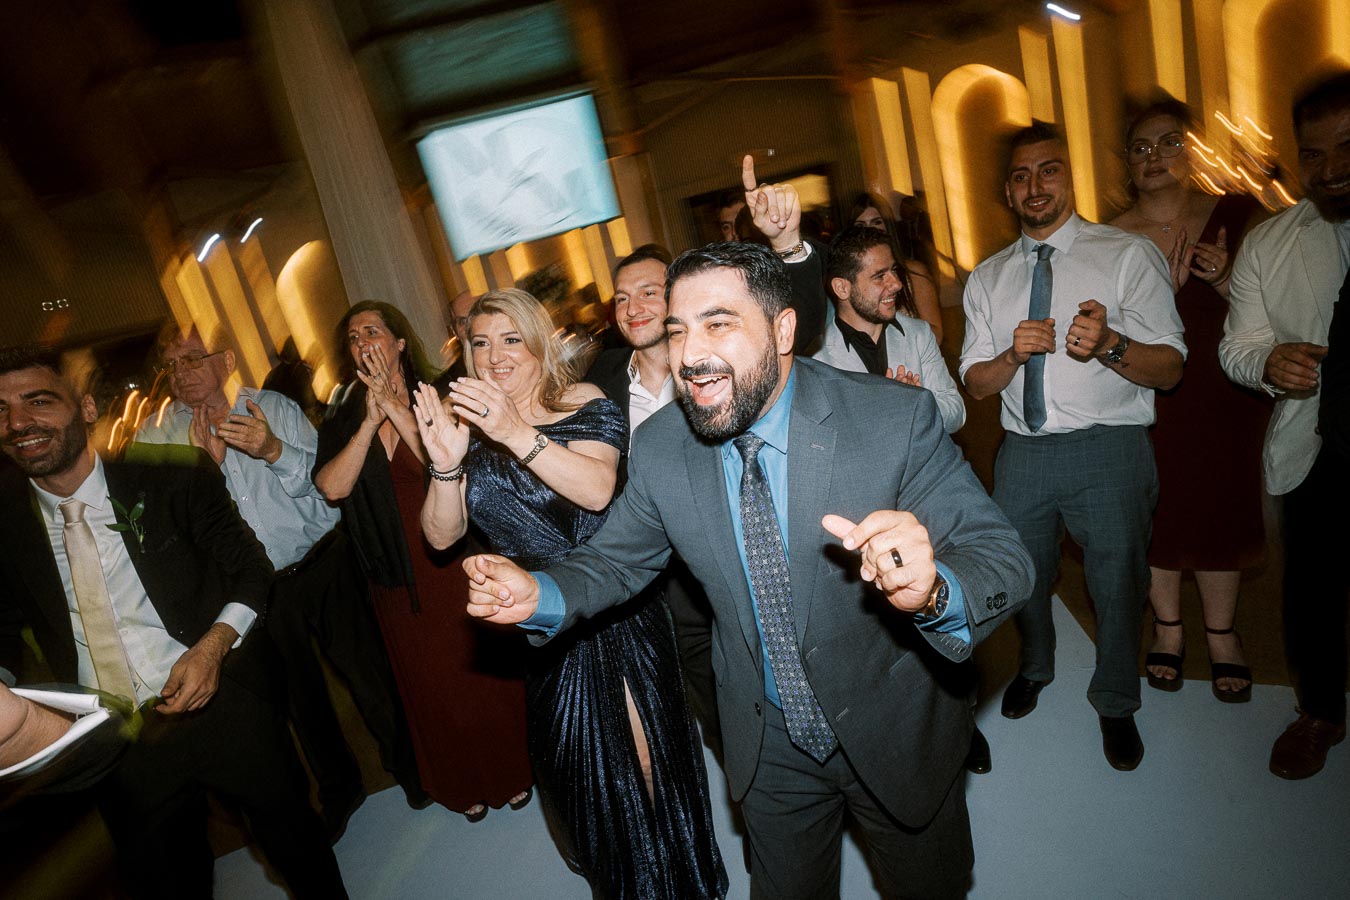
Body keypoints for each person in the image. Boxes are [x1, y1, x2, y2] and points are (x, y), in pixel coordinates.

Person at [462, 244, 1032, 899]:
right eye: (678, 330)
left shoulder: (889, 420)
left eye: (718, 324)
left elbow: (1003, 559)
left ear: (783, 330)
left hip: (892, 727)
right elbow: (616, 559)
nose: (689, 353)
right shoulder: (662, 445)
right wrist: (541, 594)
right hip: (768, 740)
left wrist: (932, 589)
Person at [0, 345, 346, 898]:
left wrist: (212, 647)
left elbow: (250, 568)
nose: (19, 423)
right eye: (1, 410)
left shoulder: (171, 481)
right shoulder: (5, 526)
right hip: (113, 740)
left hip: (224, 701)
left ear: (86, 408)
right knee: (165, 881)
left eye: (38, 401)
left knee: (298, 848)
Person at [414, 287, 726, 899]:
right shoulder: (465, 427)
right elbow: (440, 535)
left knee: (646, 763)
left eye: (510, 339)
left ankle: (680, 884)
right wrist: (448, 464)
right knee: (585, 778)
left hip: (615, 606)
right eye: (480, 343)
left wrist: (510, 429)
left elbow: (596, 490)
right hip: (541, 622)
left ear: (538, 342)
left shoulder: (581, 400)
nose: (496, 356)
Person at [131, 323, 422, 838]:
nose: (182, 373)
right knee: (299, 699)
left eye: (193, 359)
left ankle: (411, 770)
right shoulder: (157, 439)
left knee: (368, 673)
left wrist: (271, 448)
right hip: (254, 590)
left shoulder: (275, 407)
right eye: (171, 365)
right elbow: (169, 532)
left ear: (223, 363)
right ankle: (340, 789)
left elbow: (329, 483)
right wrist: (206, 471)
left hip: (322, 564)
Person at [960, 121, 1186, 771]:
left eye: (1049, 169)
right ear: (1008, 191)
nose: (1036, 185)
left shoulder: (1123, 255)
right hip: (1024, 454)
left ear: (1069, 175)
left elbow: (1170, 368)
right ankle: (1035, 666)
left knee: (1118, 583)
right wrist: (1012, 352)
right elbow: (976, 385)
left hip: (1109, 448)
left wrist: (1109, 344)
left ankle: (1116, 700)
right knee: (1022, 577)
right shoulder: (989, 278)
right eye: (1023, 175)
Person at [314, 301, 532, 820]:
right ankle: (461, 783)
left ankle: (512, 770)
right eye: (352, 336)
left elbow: (442, 459)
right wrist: (368, 423)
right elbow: (331, 487)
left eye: (373, 331)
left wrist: (393, 407)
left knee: (478, 676)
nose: (364, 341)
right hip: (392, 573)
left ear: (399, 342)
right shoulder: (341, 412)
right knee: (431, 688)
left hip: (452, 556)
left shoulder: (434, 395)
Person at [1109, 100, 1270, 703]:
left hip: (1222, 389)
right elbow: (1098, 327)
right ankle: (1169, 627)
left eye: (1169, 143)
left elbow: (1274, 312)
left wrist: (1227, 282)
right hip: (1146, 390)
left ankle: (1223, 632)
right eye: (1141, 147)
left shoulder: (1239, 216)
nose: (1155, 157)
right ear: (1127, 162)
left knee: (1219, 501)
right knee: (1158, 504)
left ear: (1194, 148)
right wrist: (1156, 301)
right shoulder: (1110, 235)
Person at [1220, 70, 1350, 779]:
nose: (1331, 169)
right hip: (1318, 444)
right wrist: (1269, 361)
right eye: (1314, 153)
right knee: (1312, 592)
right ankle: (1320, 710)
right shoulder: (1270, 243)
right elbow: (1235, 347)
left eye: (1347, 147)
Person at [585, 246, 722, 757]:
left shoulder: (713, 365)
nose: (633, 307)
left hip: (718, 551)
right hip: (645, 569)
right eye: (621, 298)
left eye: (648, 292)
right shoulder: (598, 379)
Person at [813, 224, 966, 433]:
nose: (897, 284)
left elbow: (957, 413)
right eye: (879, 276)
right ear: (842, 288)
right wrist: (887, 407)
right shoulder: (816, 357)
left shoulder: (918, 333)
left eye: (893, 270)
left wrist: (918, 403)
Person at [849, 191, 945, 344]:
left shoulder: (914, 272)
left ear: (888, 225)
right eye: (861, 225)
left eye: (877, 222)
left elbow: (936, 334)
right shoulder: (850, 279)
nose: (870, 230)